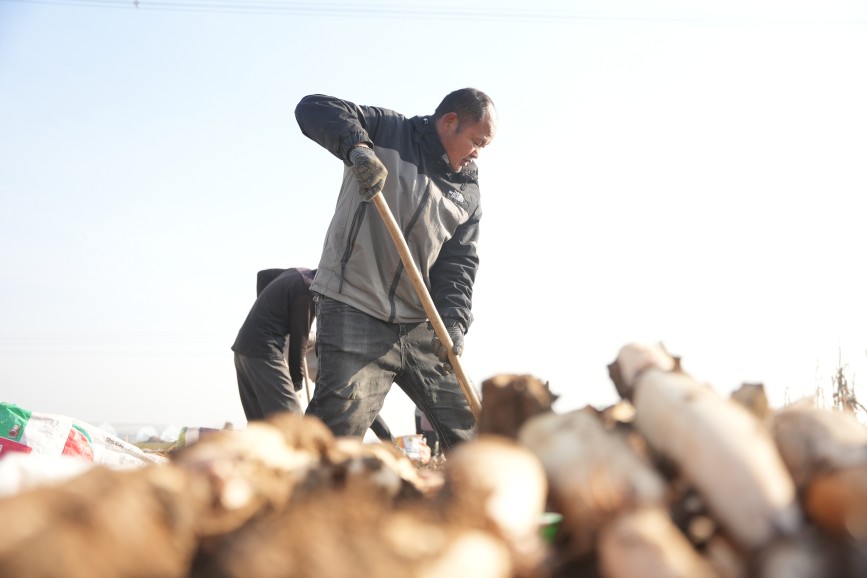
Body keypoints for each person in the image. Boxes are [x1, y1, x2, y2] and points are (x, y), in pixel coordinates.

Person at [294, 88, 497, 451]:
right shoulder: (389, 131)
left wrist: (454, 320)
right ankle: (295, 498)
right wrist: (357, 148)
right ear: (450, 122)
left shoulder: (467, 189)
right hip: (355, 305)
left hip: (422, 323)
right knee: (339, 424)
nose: (478, 152)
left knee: (466, 424)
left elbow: (460, 263)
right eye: (477, 141)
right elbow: (313, 108)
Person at [231, 267, 316, 421]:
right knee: (292, 420)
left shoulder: (297, 273)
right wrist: (296, 383)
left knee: (260, 425)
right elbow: (299, 343)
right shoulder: (308, 291)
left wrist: (267, 315)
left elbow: (263, 276)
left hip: (242, 350)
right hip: (264, 352)